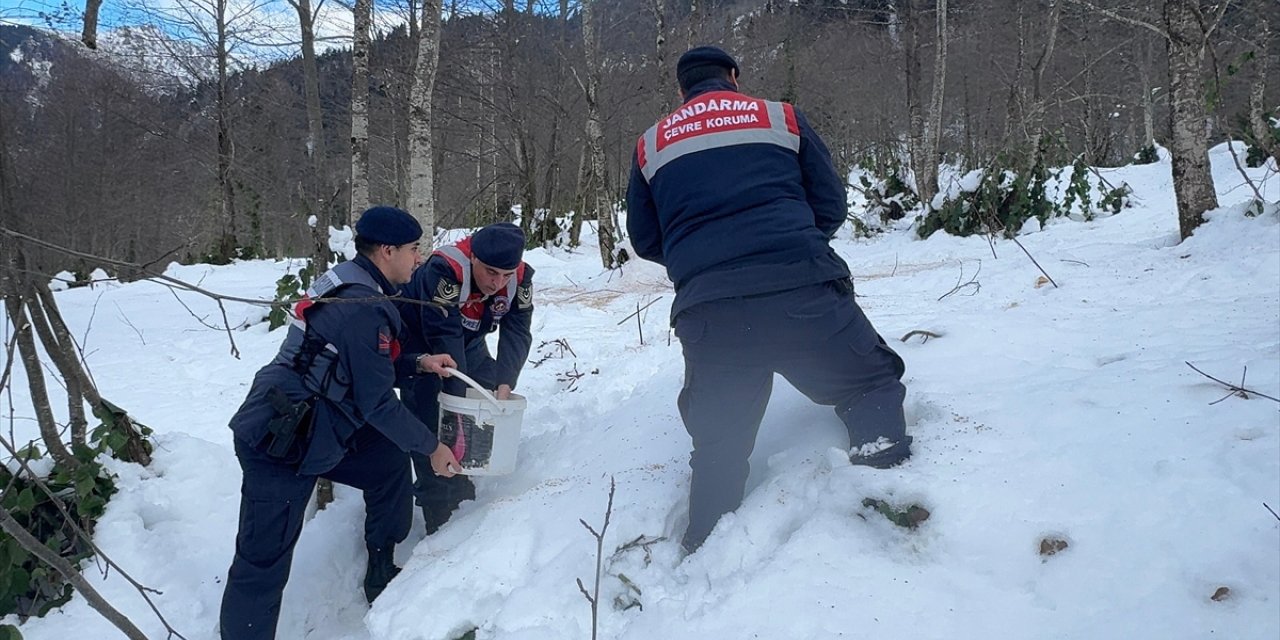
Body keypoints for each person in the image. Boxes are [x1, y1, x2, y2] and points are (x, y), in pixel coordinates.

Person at [625, 46, 911, 554]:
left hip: (712, 315)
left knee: (719, 443)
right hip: (805, 295)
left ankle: (705, 546)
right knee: (869, 384)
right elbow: (829, 204)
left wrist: (701, 264)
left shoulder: (651, 145)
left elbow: (646, 239)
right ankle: (884, 489)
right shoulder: (780, 117)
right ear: (733, 77)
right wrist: (795, 247)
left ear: (680, 90)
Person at [220, 206, 462, 640]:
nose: (418, 258)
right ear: (387, 251)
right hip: (282, 440)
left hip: (323, 426)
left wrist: (420, 363)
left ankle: (381, 566)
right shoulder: (361, 305)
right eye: (412, 249)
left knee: (386, 458)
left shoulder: (357, 281)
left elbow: (359, 366)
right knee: (263, 562)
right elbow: (377, 403)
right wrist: (432, 448)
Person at [399, 222, 535, 533]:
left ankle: (464, 482)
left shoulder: (521, 278)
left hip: (470, 341)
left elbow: (517, 331)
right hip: (423, 342)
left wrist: (506, 380)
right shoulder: (444, 270)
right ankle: (438, 506)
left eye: (506, 274)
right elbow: (443, 335)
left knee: (484, 398)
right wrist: (455, 403)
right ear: (473, 257)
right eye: (490, 272)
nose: (497, 282)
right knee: (432, 418)